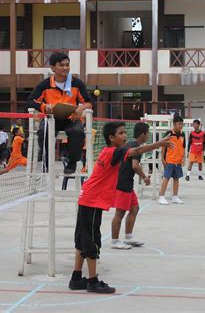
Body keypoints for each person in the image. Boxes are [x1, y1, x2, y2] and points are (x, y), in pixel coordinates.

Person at [69, 121, 172, 294]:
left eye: (125, 132)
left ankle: (76, 278)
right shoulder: (114, 152)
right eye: (121, 133)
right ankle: (93, 281)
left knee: (82, 240)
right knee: (92, 241)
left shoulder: (107, 151)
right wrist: (159, 144)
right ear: (111, 138)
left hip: (87, 198)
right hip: (92, 201)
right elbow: (137, 151)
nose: (125, 136)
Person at [26, 52, 94, 174]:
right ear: (52, 68)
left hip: (71, 119)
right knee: (43, 131)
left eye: (67, 65)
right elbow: (30, 101)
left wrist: (81, 108)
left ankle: (72, 163)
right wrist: (43, 107)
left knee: (78, 132)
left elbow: (89, 102)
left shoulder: (77, 84)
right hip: (51, 118)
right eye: (61, 65)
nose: (65, 68)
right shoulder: (45, 84)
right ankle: (46, 163)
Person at [111, 123, 150, 250]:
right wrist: (145, 177)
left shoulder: (131, 144)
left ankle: (128, 237)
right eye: (147, 133)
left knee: (135, 208)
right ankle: (115, 241)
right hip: (123, 183)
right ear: (143, 134)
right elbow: (135, 165)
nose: (148, 136)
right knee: (120, 213)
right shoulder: (136, 147)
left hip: (127, 183)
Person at [158, 116, 185, 205]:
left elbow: (183, 147)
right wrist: (162, 158)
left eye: (182, 124)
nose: (181, 126)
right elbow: (163, 145)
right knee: (166, 178)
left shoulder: (182, 134)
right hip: (169, 160)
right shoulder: (169, 133)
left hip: (178, 161)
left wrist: (183, 158)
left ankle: (175, 197)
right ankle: (161, 196)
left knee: (176, 178)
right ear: (174, 124)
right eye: (179, 124)